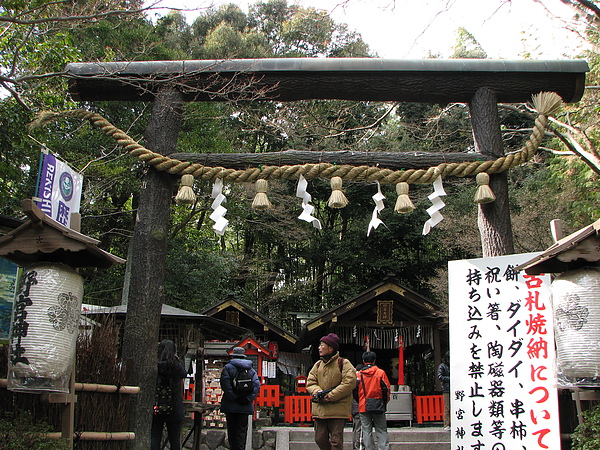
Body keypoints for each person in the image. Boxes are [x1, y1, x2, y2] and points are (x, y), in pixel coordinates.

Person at [306, 333, 357, 450]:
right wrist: (318, 392)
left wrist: (331, 396)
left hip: (338, 409)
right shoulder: (318, 365)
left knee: (336, 441)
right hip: (320, 409)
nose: (319, 348)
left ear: (330, 348)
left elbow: (349, 382)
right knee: (319, 438)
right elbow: (310, 382)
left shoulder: (344, 363)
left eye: (322, 345)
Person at [220, 347, 260, 450]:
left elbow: (225, 385)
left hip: (231, 405)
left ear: (233, 355)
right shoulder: (251, 369)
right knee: (241, 432)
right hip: (245, 406)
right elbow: (256, 386)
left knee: (232, 431)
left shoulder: (228, 368)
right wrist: (247, 399)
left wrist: (234, 397)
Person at [151, 339, 188, 450]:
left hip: (156, 404)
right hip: (174, 405)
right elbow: (183, 374)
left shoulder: (155, 364)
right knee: (175, 439)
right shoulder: (176, 365)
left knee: (155, 436)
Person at [356, 351, 391, 450]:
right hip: (378, 404)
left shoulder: (359, 374)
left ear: (363, 361)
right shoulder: (380, 373)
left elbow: (354, 390)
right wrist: (384, 402)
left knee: (366, 430)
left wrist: (360, 401)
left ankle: (369, 448)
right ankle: (383, 448)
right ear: (374, 361)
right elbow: (387, 390)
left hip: (363, 405)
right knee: (381, 430)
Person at [437, 352, 451, 430]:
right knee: (447, 407)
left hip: (454, 388)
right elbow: (440, 376)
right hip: (446, 389)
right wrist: (450, 378)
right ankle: (446, 424)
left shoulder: (453, 366)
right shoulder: (442, 366)